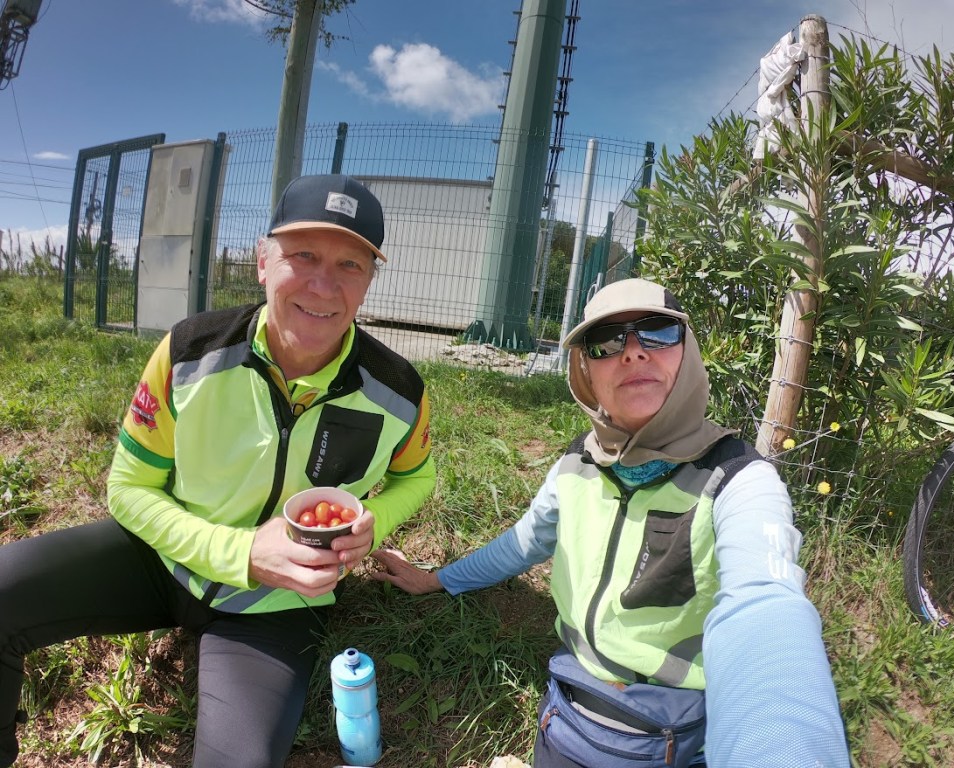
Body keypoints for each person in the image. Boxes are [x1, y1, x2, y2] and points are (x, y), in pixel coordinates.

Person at [0, 174, 436, 768]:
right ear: (263, 262)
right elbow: (128, 489)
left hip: (277, 607)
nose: (323, 283)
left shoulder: (399, 392)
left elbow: (420, 478)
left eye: (350, 265)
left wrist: (373, 520)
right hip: (161, 563)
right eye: (302, 254)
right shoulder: (189, 354)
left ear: (368, 284)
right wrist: (239, 554)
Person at [372, 278, 850, 767]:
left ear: (689, 353)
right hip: (574, 708)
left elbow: (766, 610)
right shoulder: (577, 465)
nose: (634, 352)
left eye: (658, 331)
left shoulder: (738, 479)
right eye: (607, 342)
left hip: (678, 733)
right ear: (586, 373)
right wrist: (439, 579)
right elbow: (527, 541)